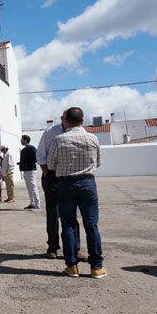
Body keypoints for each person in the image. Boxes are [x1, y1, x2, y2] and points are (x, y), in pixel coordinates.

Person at [48, 107, 106, 279]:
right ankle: (96, 267)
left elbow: (51, 165)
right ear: (82, 121)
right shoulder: (93, 138)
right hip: (88, 182)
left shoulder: (58, 140)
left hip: (66, 184)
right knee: (91, 225)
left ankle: (72, 266)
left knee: (68, 225)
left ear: (66, 121)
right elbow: (99, 162)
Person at [37, 110, 85, 261]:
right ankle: (52, 247)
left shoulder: (80, 132)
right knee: (53, 214)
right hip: (52, 176)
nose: (67, 120)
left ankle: (73, 249)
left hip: (70, 176)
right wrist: (46, 172)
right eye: (65, 118)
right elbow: (40, 154)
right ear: (62, 119)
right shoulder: (50, 133)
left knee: (70, 214)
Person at [20, 135, 41, 211]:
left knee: (33, 187)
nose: (20, 141)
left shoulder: (32, 148)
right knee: (29, 188)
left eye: (21, 139)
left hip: (31, 170)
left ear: (25, 140)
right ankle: (32, 203)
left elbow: (36, 158)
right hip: (25, 170)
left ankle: (37, 205)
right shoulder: (24, 150)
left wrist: (29, 163)